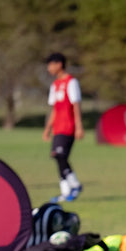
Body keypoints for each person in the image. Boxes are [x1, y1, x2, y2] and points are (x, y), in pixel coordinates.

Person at [43, 52, 84, 202]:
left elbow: (76, 105)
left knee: (60, 155)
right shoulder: (55, 85)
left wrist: (79, 126)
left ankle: (75, 185)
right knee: (58, 156)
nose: (49, 68)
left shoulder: (71, 82)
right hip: (58, 127)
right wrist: (47, 128)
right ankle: (65, 193)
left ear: (59, 64)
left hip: (68, 126)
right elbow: (54, 109)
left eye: (51, 65)